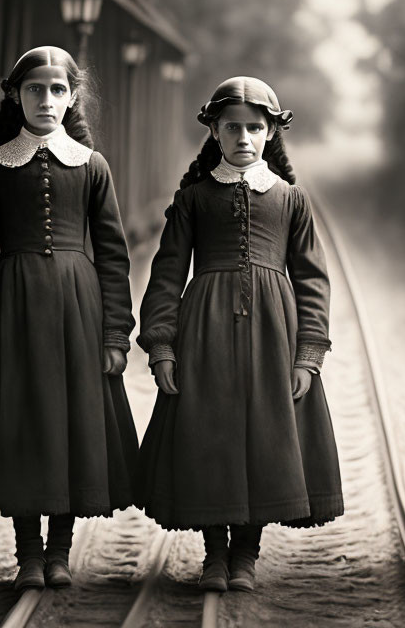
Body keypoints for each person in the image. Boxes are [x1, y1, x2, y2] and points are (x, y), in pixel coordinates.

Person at [136, 76, 343, 592]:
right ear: (214, 130)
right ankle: (214, 554)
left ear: (272, 131)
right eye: (233, 128)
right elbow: (165, 275)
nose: (245, 137)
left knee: (264, 440)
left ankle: (247, 554)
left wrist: (308, 353)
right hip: (203, 332)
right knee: (211, 434)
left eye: (256, 127)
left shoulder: (292, 200)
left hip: (276, 335)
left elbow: (313, 278)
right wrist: (162, 344)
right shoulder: (193, 200)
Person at [0, 46, 141, 591]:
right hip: (13, 311)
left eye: (58, 90)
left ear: (73, 96)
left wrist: (114, 333)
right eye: (35, 89)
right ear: (16, 95)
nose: (47, 100)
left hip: (78, 313)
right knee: (25, 423)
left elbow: (114, 256)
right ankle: (28, 553)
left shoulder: (92, 167)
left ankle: (60, 551)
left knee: (70, 424)